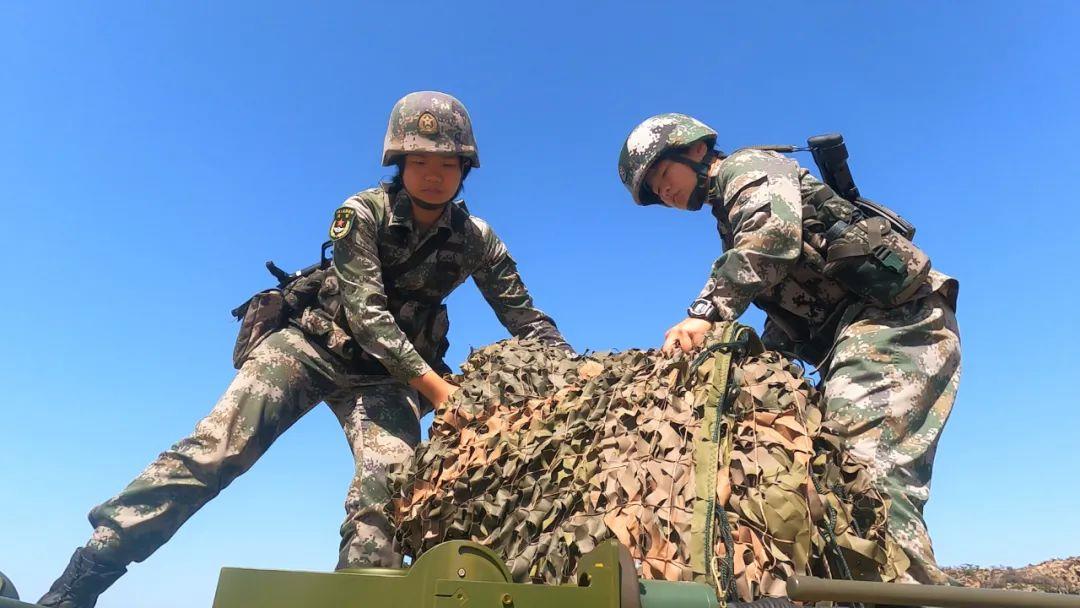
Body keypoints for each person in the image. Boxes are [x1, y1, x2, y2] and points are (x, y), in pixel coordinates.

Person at [39, 91, 570, 608]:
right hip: (313, 346)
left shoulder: (477, 239)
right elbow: (367, 314)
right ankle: (86, 575)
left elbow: (524, 316)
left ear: (465, 168)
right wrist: (434, 385)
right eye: (419, 159)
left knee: (391, 490)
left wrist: (574, 370)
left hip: (384, 379)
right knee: (218, 449)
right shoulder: (362, 214)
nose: (434, 173)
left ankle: (360, 597)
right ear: (398, 163)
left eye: (447, 162)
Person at [617, 113, 960, 584]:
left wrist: (705, 313)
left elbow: (772, 238)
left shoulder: (747, 167)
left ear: (695, 150)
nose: (664, 193)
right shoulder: (728, 213)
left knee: (866, 479)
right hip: (858, 334)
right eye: (655, 193)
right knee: (831, 477)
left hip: (895, 324)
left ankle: (910, 591)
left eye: (660, 176)